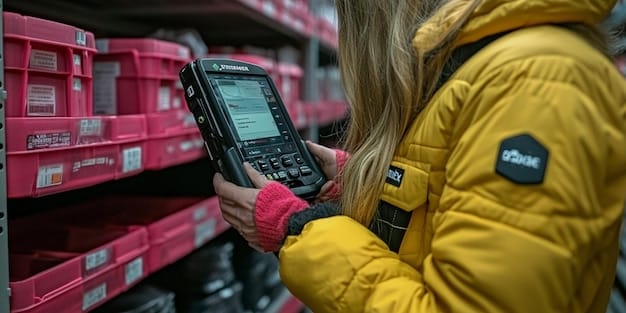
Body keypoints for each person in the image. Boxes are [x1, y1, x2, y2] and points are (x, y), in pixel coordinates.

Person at [213, 0, 626, 312]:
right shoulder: (498, 62)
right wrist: (361, 182)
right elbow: (454, 194)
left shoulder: (534, 78)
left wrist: (297, 229)